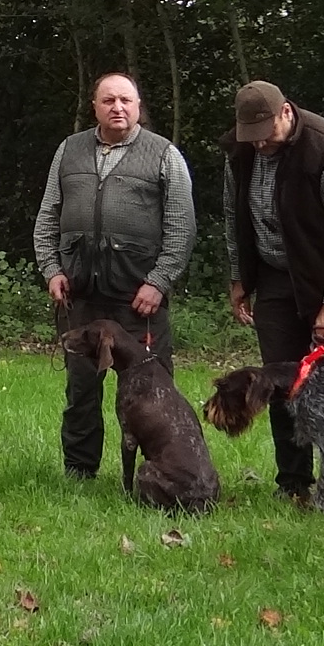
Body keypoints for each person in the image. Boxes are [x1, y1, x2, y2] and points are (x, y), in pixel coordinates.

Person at [225, 80, 324, 508]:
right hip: (276, 275)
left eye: (265, 135)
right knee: (278, 382)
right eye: (249, 137)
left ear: (286, 114)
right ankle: (294, 483)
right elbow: (233, 216)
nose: (258, 145)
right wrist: (241, 277)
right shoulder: (241, 150)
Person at [32, 72, 195, 482]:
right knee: (81, 390)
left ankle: (165, 472)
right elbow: (48, 215)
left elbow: (182, 227)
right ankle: (79, 470)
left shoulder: (163, 154)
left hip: (138, 298)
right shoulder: (69, 150)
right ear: (95, 106)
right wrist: (51, 269)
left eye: (125, 100)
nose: (117, 108)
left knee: (155, 393)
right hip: (81, 295)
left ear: (138, 106)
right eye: (108, 101)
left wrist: (159, 281)